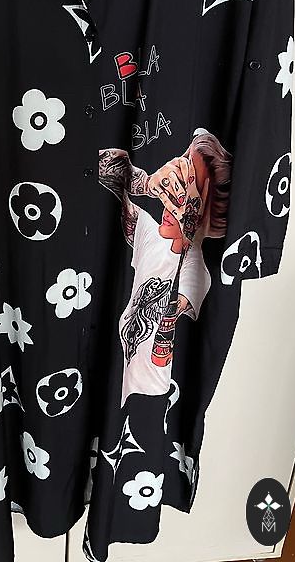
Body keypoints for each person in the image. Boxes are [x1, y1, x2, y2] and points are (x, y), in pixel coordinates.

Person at [98, 128, 232, 407]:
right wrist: (148, 184)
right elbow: (101, 170)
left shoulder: (196, 274)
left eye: (189, 189)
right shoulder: (151, 236)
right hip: (114, 387)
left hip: (153, 402)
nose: (170, 204)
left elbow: (171, 312)